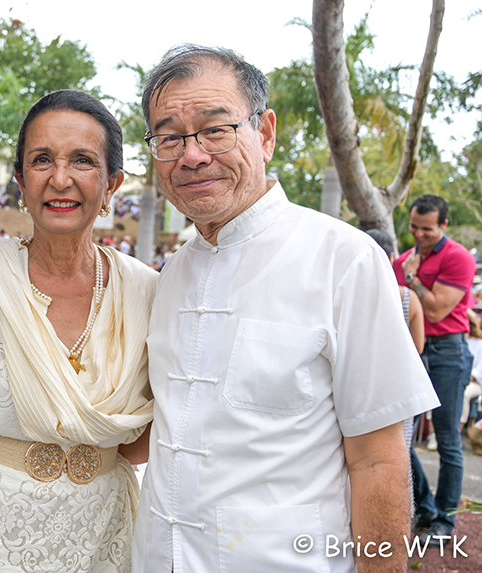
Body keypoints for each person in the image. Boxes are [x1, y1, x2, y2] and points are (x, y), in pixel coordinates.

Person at [132, 45, 439, 573]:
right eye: (170, 137)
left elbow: (378, 458)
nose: (192, 155)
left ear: (266, 133)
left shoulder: (343, 261)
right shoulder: (171, 275)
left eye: (215, 129)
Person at [0, 90, 156, 573]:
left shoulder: (147, 293)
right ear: (20, 179)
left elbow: (149, 434)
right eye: (42, 160)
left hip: (105, 534)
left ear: (112, 182)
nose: (60, 178)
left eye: (83, 161)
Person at [393, 194, 475, 542]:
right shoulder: (403, 260)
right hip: (411, 350)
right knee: (400, 436)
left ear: (443, 225)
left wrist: (412, 281)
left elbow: (439, 309)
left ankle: (445, 520)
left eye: (427, 229)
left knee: (447, 440)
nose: (419, 234)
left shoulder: (459, 258)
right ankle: (425, 505)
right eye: (414, 227)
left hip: (447, 352)